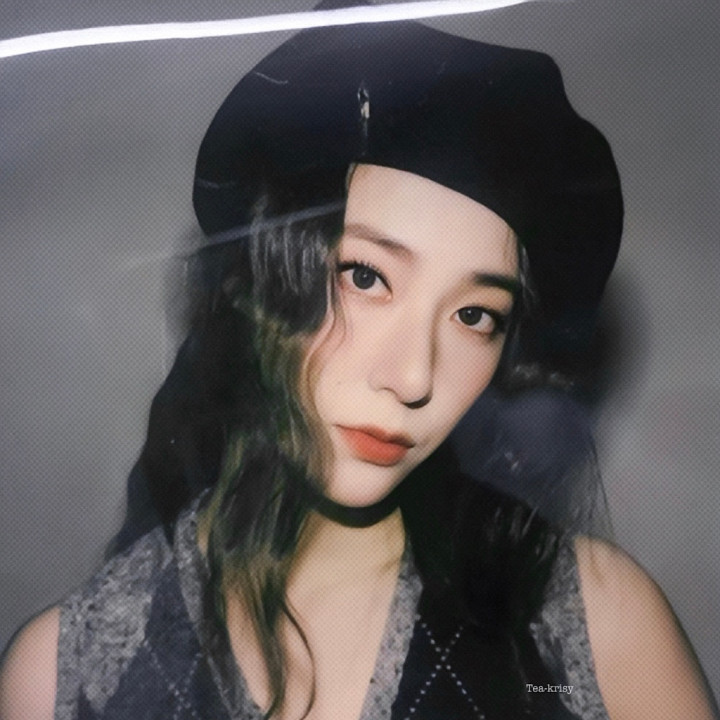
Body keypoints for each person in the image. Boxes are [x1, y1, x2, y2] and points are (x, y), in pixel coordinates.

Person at [1, 7, 717, 720]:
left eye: (475, 316)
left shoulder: (589, 627)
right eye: (366, 277)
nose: (412, 378)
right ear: (260, 281)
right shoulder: (68, 674)